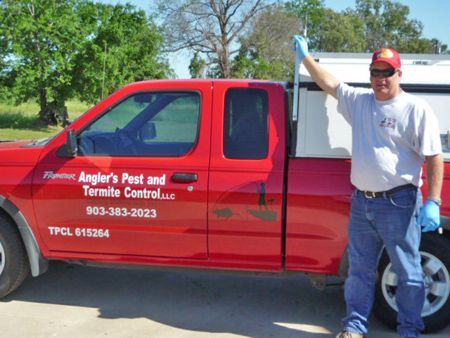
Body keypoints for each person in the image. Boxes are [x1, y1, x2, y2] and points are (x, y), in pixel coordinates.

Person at [293, 36, 444, 338]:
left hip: (399, 203)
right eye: (375, 72)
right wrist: (306, 60)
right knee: (359, 272)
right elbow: (332, 85)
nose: (381, 78)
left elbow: (434, 156)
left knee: (408, 272)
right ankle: (354, 328)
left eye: (387, 72)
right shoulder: (360, 102)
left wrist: (433, 201)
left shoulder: (416, 109)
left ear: (400, 74)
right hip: (362, 203)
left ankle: (409, 331)